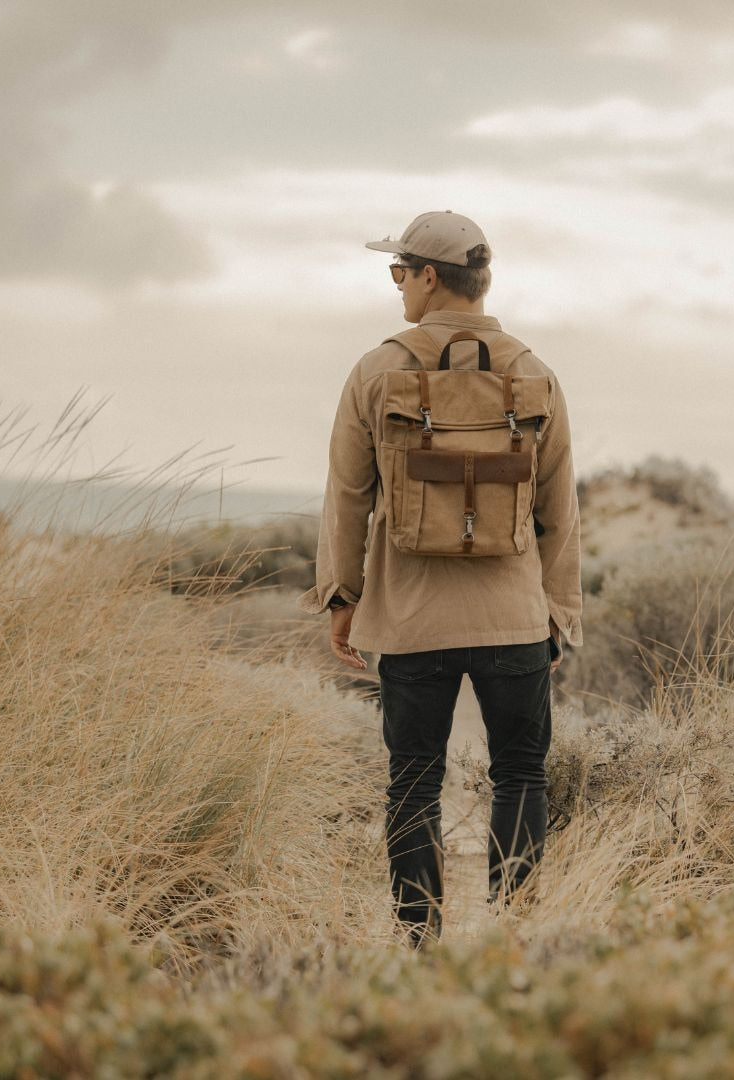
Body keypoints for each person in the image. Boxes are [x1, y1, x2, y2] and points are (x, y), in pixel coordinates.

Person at [299, 210, 582, 945]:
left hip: (413, 617)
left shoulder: (375, 370)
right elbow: (560, 507)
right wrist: (559, 612)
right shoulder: (533, 372)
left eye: (400, 273)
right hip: (514, 617)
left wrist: (342, 596)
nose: (397, 288)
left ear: (430, 276)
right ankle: (514, 939)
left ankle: (419, 942)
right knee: (521, 775)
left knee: (413, 781)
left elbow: (348, 496)